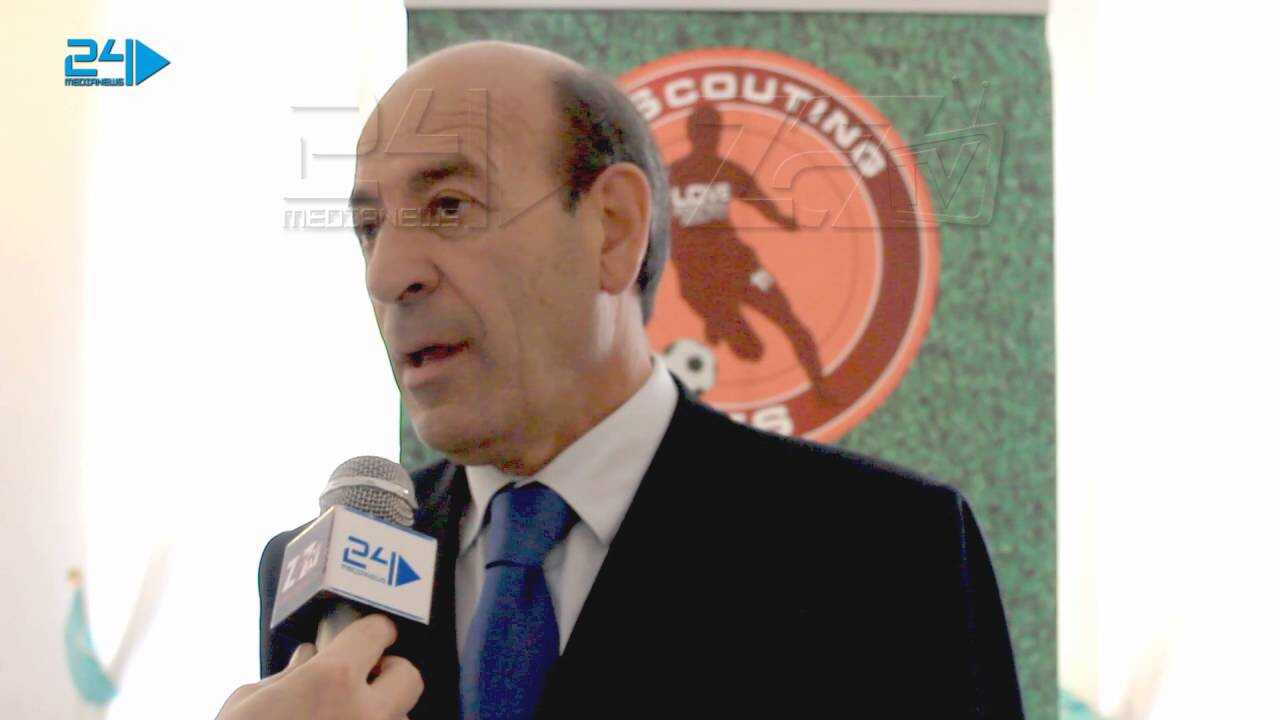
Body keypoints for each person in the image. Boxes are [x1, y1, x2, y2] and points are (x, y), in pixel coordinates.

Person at [220, 41, 1024, 720]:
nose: (387, 273)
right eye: (369, 228)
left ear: (612, 229)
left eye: (451, 206)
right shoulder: (322, 580)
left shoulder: (885, 551)